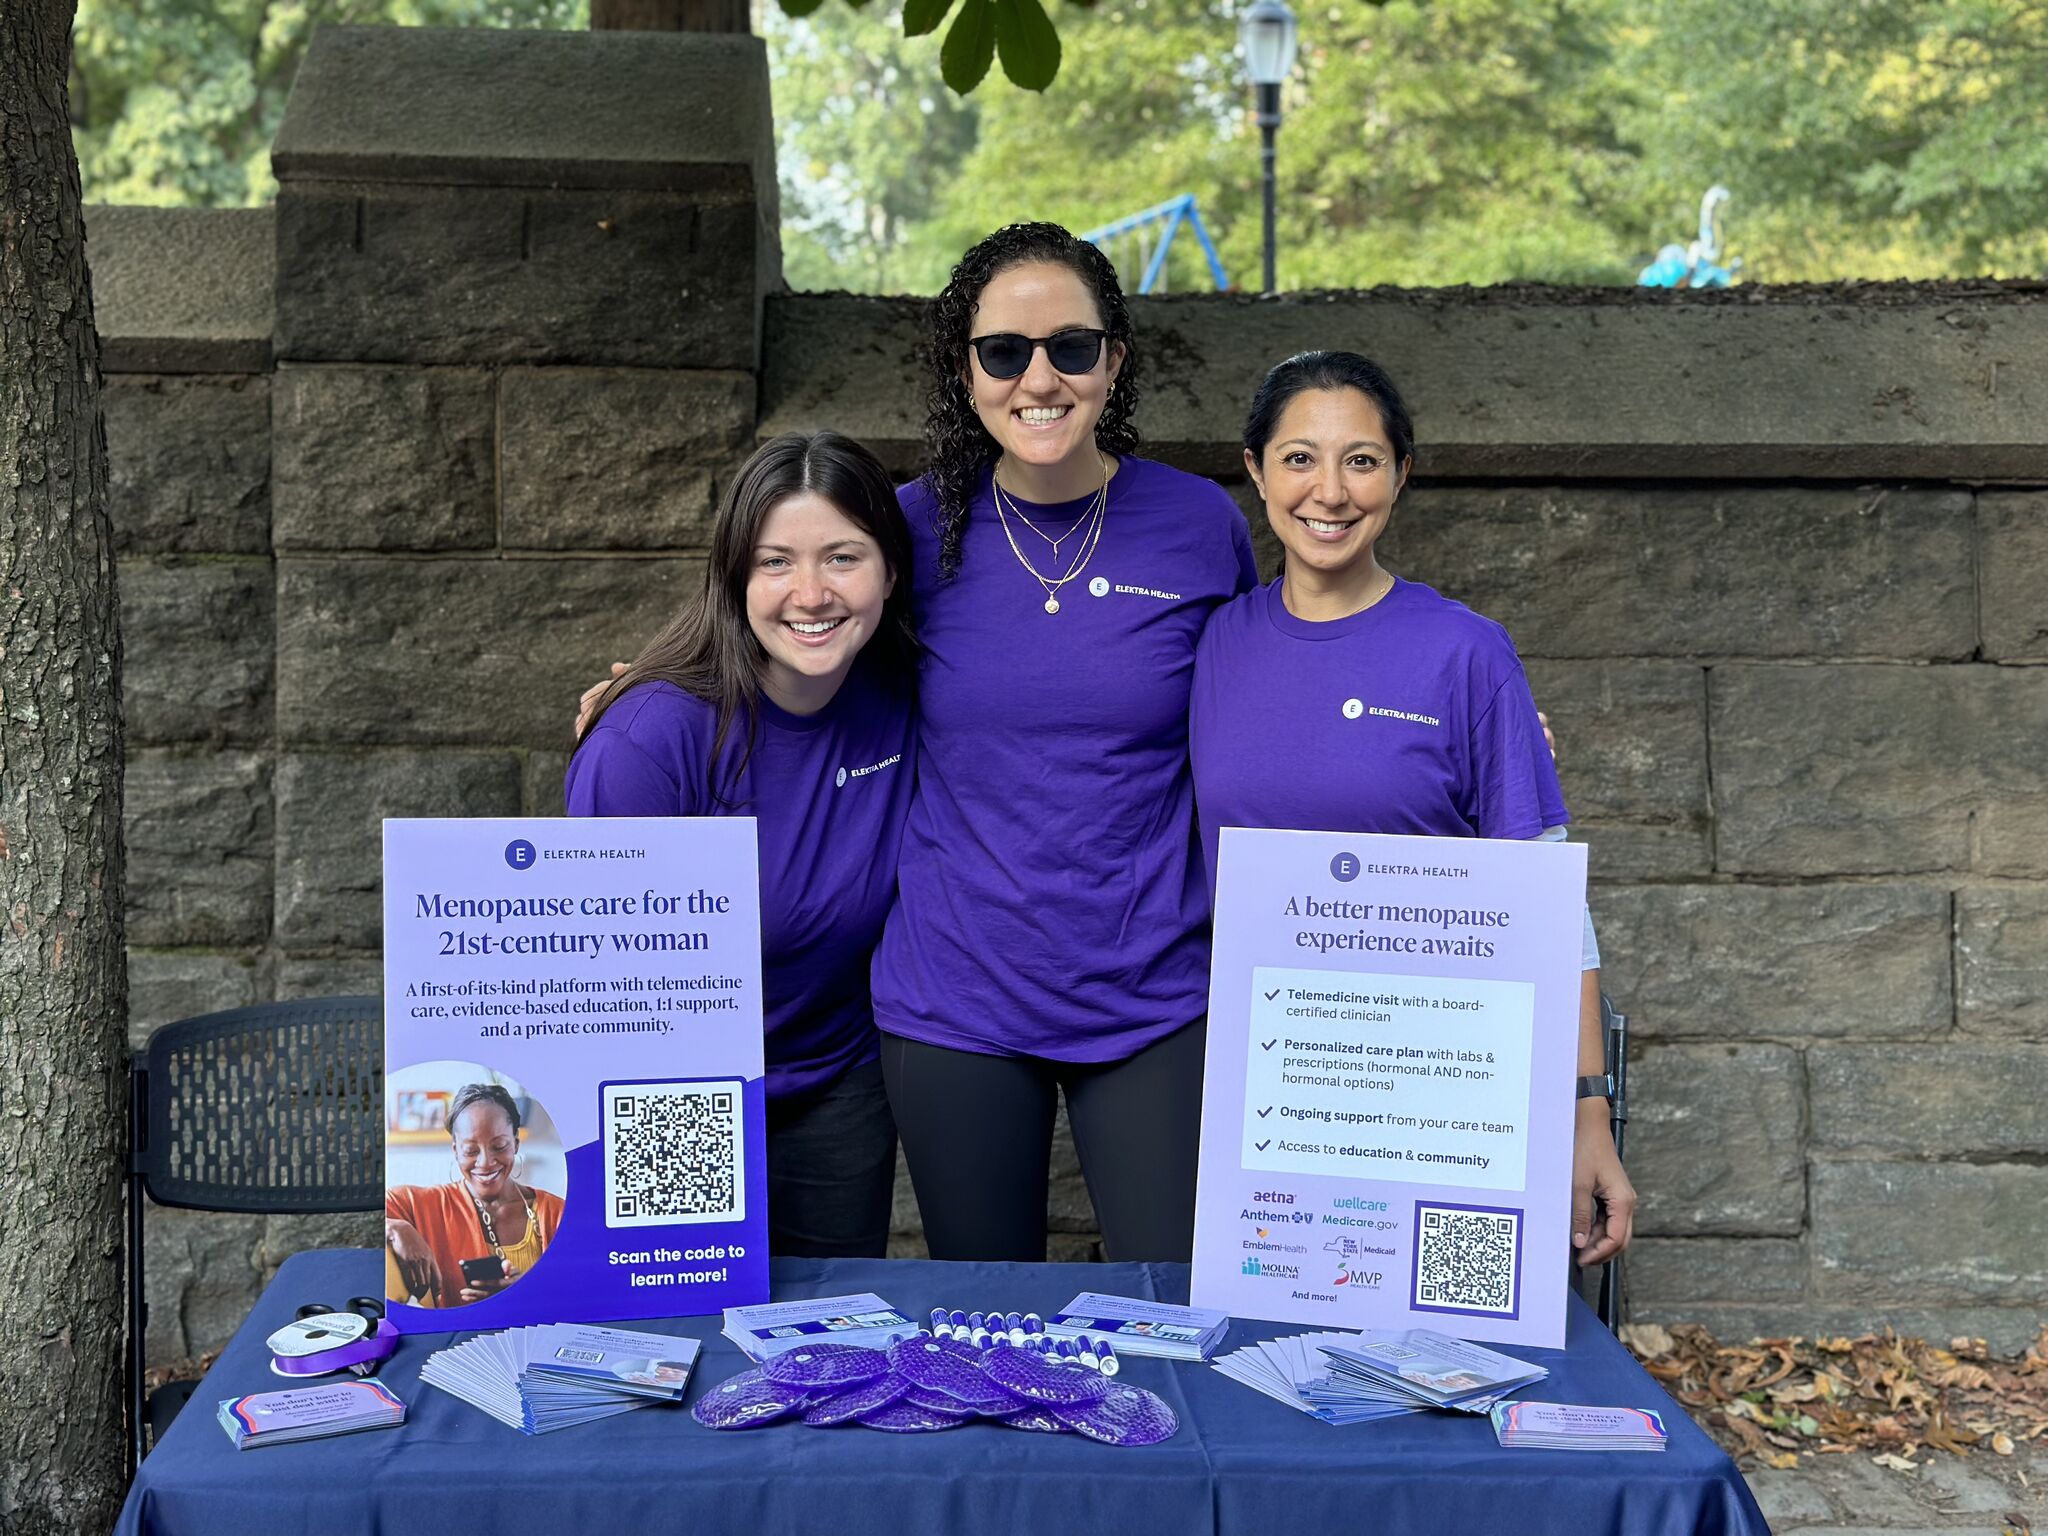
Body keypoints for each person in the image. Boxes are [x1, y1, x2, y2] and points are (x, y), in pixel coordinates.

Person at [1188, 350, 1634, 1268]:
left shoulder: (1466, 654)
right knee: (1271, 1348)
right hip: (1266, 1089)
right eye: (1300, 458)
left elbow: (1549, 901)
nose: (1331, 490)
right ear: (1255, 470)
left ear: (1401, 475)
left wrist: (1588, 1109)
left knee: (1452, 1361)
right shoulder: (1213, 647)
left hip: (1442, 1091)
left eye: (1362, 459)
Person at [871, 223, 1260, 1264]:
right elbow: (787, 640)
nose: (1037, 377)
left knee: (1179, 1314)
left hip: (1152, 992)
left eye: (1069, 348)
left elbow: (1269, 692)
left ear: (1113, 361)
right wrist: (653, 685)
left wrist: (1449, 713)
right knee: (985, 1326)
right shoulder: (904, 532)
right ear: (965, 372)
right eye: (1003, 352)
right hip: (954, 995)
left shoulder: (1195, 524)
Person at [566, 431, 918, 1260]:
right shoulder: (648, 742)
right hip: (672, 1089)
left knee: (829, 1345)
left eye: (842, 557)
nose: (810, 593)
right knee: (685, 1341)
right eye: (774, 562)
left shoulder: (913, 694)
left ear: (891, 571)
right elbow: (598, 984)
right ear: (733, 575)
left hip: (836, 1082)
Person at [385, 1082, 566, 1308]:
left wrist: (523, 1293)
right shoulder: (417, 1204)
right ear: (456, 1151)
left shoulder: (558, 1213)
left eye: (499, 1146)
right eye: (470, 1150)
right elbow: (375, 1216)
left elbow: (585, 1290)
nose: (485, 1162)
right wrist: (395, 1228)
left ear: (516, 1144)